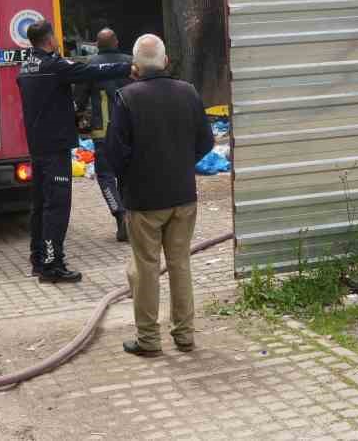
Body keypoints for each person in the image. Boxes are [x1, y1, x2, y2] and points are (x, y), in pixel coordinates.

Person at [105, 34, 213, 358]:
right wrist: (180, 163)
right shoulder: (189, 92)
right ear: (166, 62)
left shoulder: (126, 97)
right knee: (180, 265)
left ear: (135, 67)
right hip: (183, 196)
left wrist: (133, 175)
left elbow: (114, 153)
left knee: (146, 268)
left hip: (144, 200)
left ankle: (149, 340)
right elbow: (206, 142)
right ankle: (185, 336)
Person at [16, 20, 130, 283]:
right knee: (57, 207)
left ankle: (38, 260)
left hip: (37, 147)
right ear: (49, 39)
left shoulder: (26, 66)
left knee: (40, 205)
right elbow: (91, 70)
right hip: (55, 147)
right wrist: (127, 67)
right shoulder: (54, 66)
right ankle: (53, 266)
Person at [83, 29, 133, 242]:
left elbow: (79, 98)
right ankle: (130, 217)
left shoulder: (90, 65)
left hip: (102, 132)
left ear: (97, 44)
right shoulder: (130, 63)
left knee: (105, 177)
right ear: (117, 41)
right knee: (127, 174)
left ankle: (119, 214)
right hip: (129, 132)